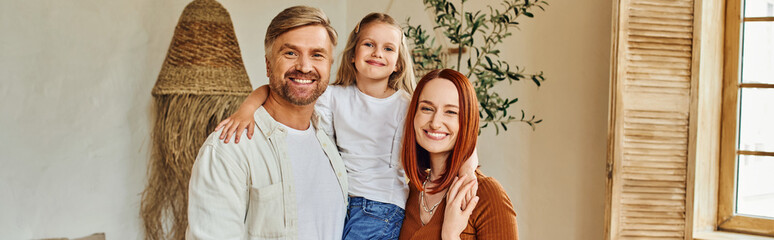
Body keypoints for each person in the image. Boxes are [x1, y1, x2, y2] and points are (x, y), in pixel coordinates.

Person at [215, 12, 479, 239]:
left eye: (388, 48)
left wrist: (468, 172)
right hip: (340, 201)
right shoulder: (334, 96)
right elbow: (280, 88)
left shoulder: (407, 104)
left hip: (381, 208)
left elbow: (462, 131)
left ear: (398, 63)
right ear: (353, 54)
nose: (378, 53)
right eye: (369, 44)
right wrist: (247, 109)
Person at [186, 6, 348, 240]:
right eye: (290, 53)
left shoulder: (330, 141)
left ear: (330, 65)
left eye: (317, 55)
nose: (304, 66)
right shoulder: (230, 148)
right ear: (268, 65)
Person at [399, 69, 519, 240]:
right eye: (426, 108)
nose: (435, 122)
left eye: (451, 112)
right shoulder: (411, 190)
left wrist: (451, 235)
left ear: (466, 121)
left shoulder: (486, 194)